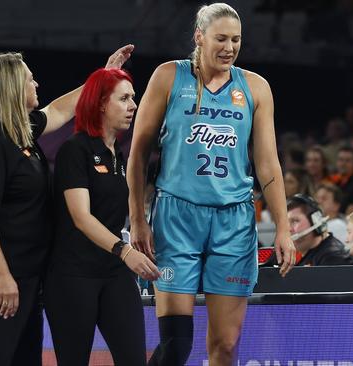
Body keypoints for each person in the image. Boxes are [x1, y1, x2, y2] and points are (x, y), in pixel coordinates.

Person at [127, 4, 296, 365]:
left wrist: (283, 227)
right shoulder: (168, 76)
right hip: (176, 217)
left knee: (225, 346)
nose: (229, 47)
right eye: (221, 38)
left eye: (236, 40)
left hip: (233, 221)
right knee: (175, 345)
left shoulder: (255, 87)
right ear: (199, 37)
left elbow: (267, 163)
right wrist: (138, 219)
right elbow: (138, 154)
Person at [0, 45, 134, 366]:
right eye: (30, 80)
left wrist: (101, 79)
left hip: (25, 273)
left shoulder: (19, 130)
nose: (36, 85)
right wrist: (1, 275)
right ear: (10, 87)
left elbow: (59, 111)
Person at [44, 68, 159, 365]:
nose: (133, 104)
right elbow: (81, 217)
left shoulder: (116, 153)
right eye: (124, 98)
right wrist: (125, 251)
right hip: (73, 275)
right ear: (100, 104)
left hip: (113, 272)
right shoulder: (74, 150)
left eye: (133, 97)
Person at [287, 194, 353, 266]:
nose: (289, 229)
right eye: (286, 223)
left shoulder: (333, 258)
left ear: (315, 222)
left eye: (295, 221)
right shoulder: (314, 254)